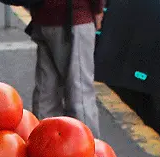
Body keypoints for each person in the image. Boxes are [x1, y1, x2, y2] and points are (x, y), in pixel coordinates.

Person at [29, 0, 105, 136]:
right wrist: (98, 11)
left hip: (43, 20)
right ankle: (90, 149)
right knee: (80, 91)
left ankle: (42, 144)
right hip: (73, 20)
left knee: (46, 91)